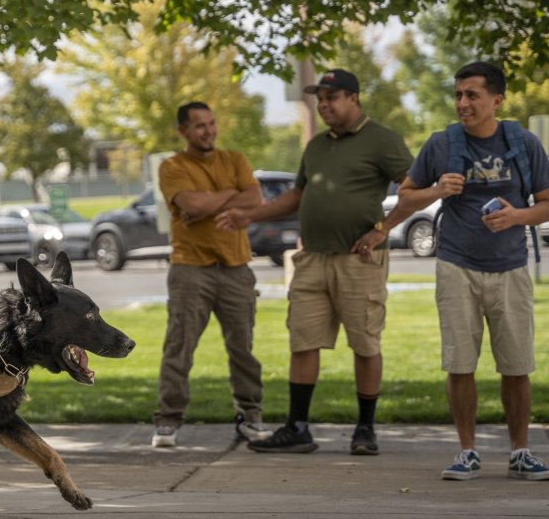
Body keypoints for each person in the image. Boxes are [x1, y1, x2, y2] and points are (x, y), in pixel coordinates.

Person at [216, 69, 414, 455]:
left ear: (354, 98)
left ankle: (365, 429)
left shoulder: (383, 140)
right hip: (312, 260)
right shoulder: (317, 145)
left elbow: (415, 189)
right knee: (302, 341)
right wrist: (249, 216)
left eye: (332, 97)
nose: (324, 105)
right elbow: (297, 196)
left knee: (365, 343)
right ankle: (298, 427)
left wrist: (382, 229)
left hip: (359, 261)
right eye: (320, 99)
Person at [395, 61, 549, 481]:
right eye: (459, 94)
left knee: (516, 365)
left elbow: (546, 203)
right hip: (456, 265)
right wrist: (436, 190)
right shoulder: (441, 144)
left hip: (511, 267)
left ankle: (520, 452)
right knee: (459, 363)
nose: (462, 103)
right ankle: (467, 451)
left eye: (472, 95)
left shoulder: (524, 144)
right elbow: (405, 198)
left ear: (496, 100)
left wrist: (517, 217)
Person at [151, 102, 271, 448]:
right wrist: (231, 196)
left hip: (236, 268)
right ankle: (167, 421)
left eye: (211, 123)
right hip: (191, 269)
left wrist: (213, 200)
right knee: (180, 346)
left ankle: (250, 417)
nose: (208, 130)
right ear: (183, 132)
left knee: (242, 348)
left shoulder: (234, 159)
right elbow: (192, 206)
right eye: (200, 125)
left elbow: (255, 198)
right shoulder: (172, 166)